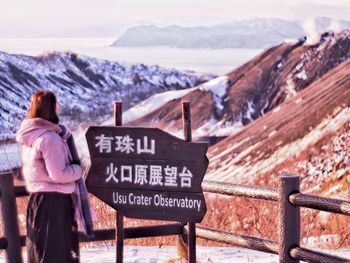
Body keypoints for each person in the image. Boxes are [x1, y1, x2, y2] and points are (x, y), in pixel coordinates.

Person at [16, 90, 82, 263]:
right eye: (56, 104)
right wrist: (78, 169)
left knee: (41, 252)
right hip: (55, 204)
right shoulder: (50, 139)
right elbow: (58, 174)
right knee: (56, 254)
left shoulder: (31, 136)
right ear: (51, 108)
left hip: (37, 201)